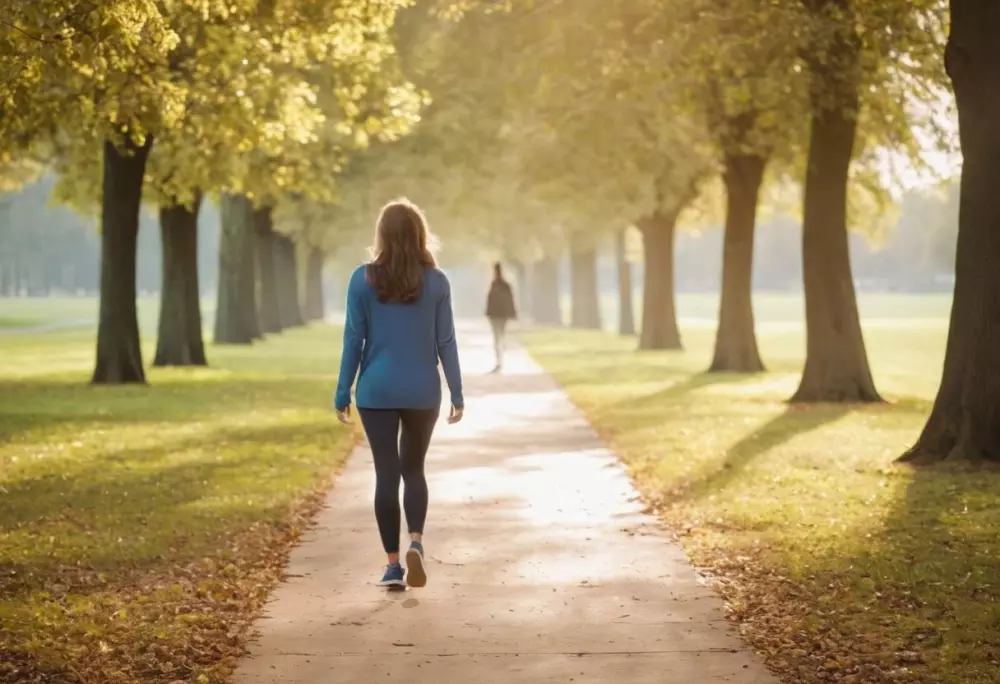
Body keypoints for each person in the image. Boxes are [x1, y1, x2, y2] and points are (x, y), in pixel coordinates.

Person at [333, 198, 464, 590]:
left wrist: (343, 390)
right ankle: (417, 543)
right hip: (423, 389)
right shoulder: (437, 281)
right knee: (414, 469)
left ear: (382, 235)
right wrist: (457, 391)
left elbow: (353, 339)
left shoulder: (362, 279)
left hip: (377, 389)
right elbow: (447, 341)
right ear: (420, 234)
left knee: (386, 474)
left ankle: (392, 567)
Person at [485, 262, 517, 373]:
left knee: (499, 336)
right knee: (498, 336)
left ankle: (500, 358)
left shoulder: (500, 285)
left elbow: (508, 300)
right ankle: (499, 359)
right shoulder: (496, 285)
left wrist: (512, 312)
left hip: (499, 315)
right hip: (497, 315)